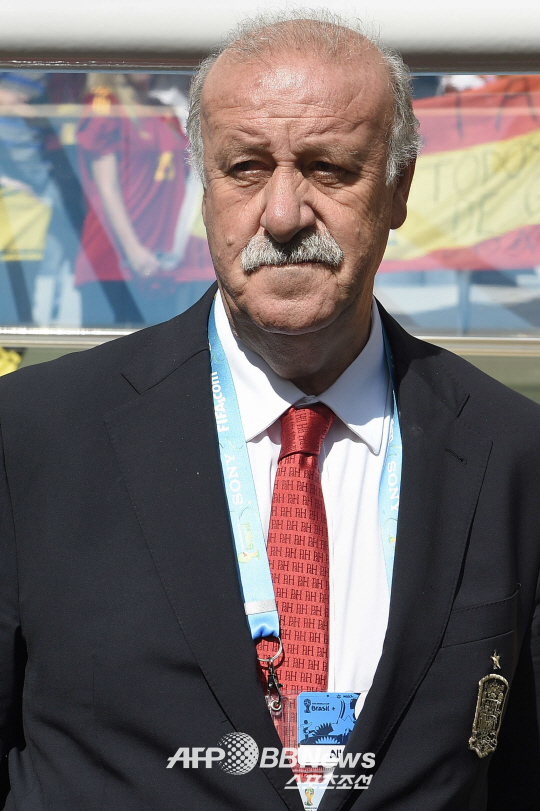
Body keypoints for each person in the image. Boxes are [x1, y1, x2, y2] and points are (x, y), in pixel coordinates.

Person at [0, 11, 539, 811]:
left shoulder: (512, 452)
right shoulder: (32, 437)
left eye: (328, 168)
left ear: (398, 189)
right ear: (205, 187)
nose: (284, 215)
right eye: (247, 168)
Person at [74, 73, 190, 326]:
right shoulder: (104, 104)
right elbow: (106, 188)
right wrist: (133, 251)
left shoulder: (161, 109)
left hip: (161, 260)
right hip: (115, 260)